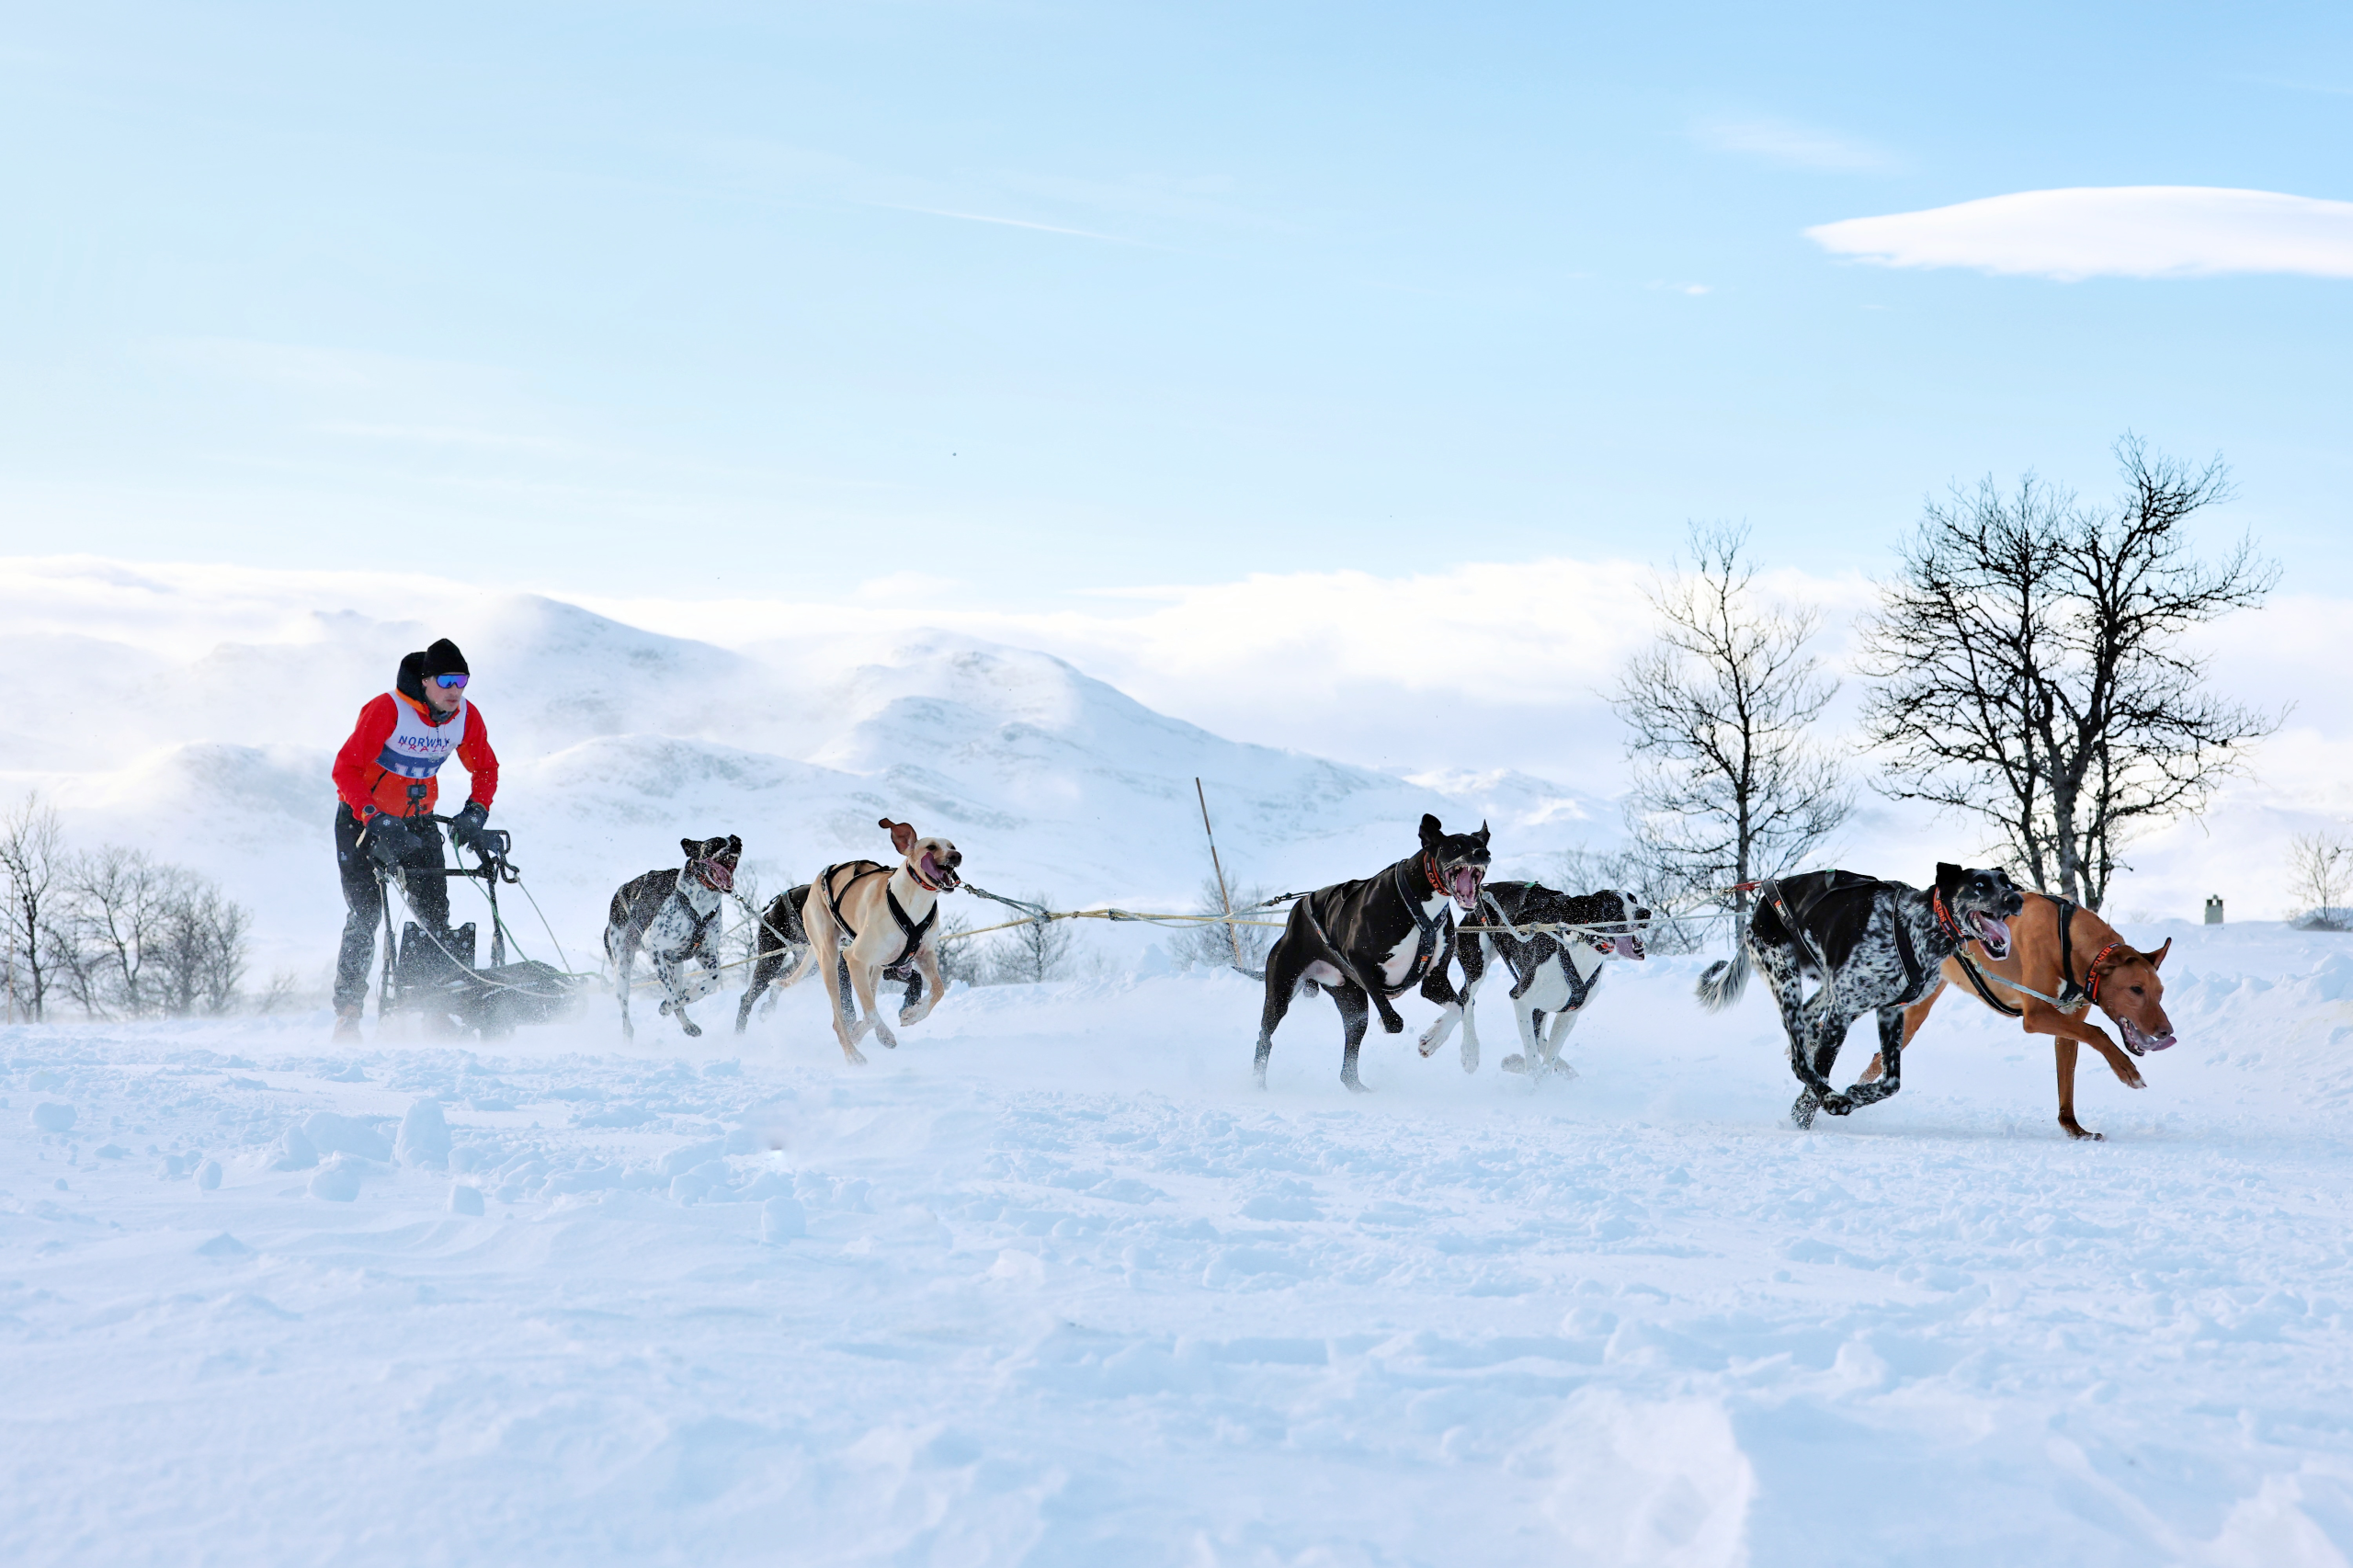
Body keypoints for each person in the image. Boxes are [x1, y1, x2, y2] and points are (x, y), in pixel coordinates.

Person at [330, 638, 500, 1040]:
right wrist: (372, 815)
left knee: (434, 914)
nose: (455, 690)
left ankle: (434, 1007)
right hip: (362, 822)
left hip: (418, 820)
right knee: (365, 915)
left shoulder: (464, 716)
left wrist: (476, 811)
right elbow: (345, 769)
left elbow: (486, 768)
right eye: (446, 680)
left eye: (462, 681)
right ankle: (349, 1013)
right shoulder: (388, 710)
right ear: (425, 682)